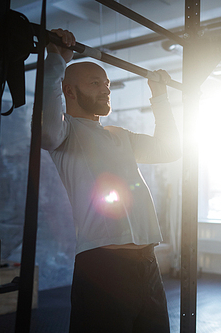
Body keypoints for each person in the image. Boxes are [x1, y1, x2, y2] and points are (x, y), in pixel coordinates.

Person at [42, 29, 181, 333]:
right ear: (69, 91)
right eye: (95, 83)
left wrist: (159, 95)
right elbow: (45, 129)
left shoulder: (120, 136)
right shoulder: (65, 134)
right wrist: (55, 59)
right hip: (103, 268)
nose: (106, 90)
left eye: (106, 84)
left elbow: (170, 149)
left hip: (148, 266)